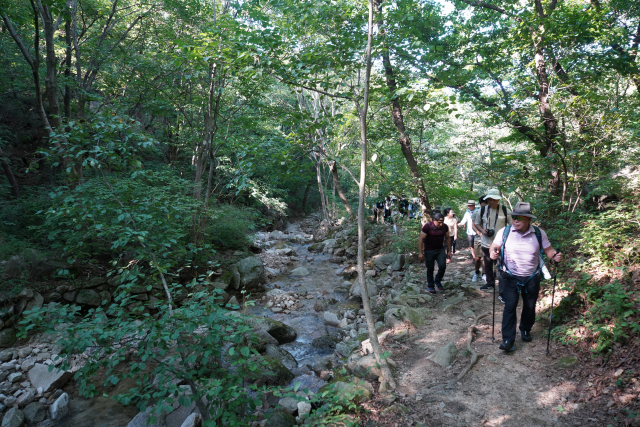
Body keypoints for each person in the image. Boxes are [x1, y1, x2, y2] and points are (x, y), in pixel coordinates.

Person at [489, 202, 562, 351]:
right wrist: (493, 253)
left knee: (529, 306)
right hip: (509, 276)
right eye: (514, 217)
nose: (515, 220)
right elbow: (493, 246)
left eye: (519, 218)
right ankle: (508, 340)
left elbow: (548, 249)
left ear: (528, 219)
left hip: (531, 277)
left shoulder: (538, 233)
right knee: (510, 306)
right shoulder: (505, 232)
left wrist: (554, 255)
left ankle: (525, 329)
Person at [473, 188, 512, 296]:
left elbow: (512, 225)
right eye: (489, 199)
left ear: (498, 200)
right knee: (488, 265)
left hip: (501, 244)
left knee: (501, 266)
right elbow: (477, 223)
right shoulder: (481, 210)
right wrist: (482, 231)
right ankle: (490, 282)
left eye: (494, 199)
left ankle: (502, 286)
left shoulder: (505, 210)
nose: (491, 201)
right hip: (486, 242)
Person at [418, 213, 452, 293]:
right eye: (439, 222)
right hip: (429, 250)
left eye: (442, 222)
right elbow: (421, 239)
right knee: (430, 268)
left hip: (440, 250)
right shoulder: (428, 226)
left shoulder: (445, 227)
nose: (441, 224)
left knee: (442, 266)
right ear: (434, 220)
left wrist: (449, 251)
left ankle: (437, 280)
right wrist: (420, 252)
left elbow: (447, 238)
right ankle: (430, 286)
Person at [469, 197, 487, 282]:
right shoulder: (476, 212)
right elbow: (473, 225)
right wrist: (478, 232)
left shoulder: (491, 213)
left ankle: (484, 273)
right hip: (478, 237)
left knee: (485, 257)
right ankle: (476, 272)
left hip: (488, 238)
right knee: (477, 258)